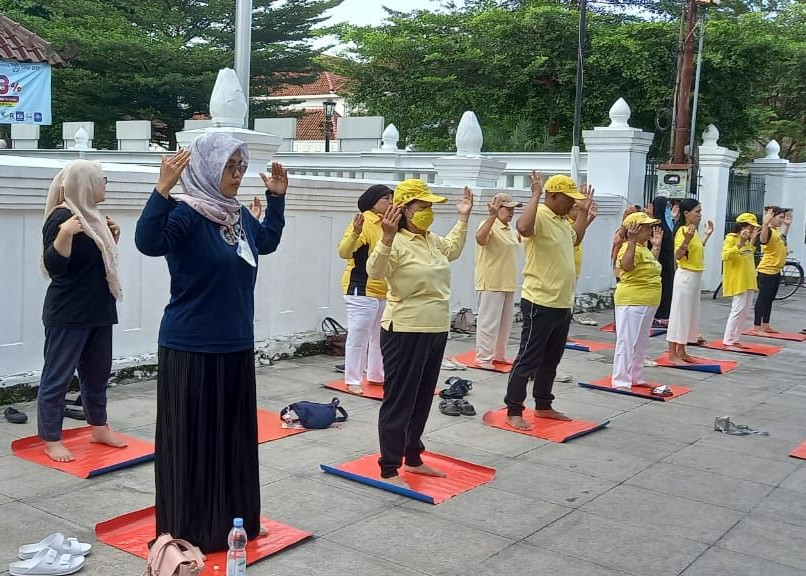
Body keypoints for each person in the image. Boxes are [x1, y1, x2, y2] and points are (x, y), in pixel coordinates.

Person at [134, 132, 288, 553]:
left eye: (241, 167)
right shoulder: (187, 213)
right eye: (229, 167)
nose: (237, 176)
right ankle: (190, 527)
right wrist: (162, 189)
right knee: (191, 443)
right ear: (206, 168)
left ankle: (234, 521)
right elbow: (148, 243)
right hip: (191, 346)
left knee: (232, 441)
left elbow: (267, 243)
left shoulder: (237, 216)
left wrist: (276, 201)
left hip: (235, 343)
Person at [366, 179, 472, 486]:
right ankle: (388, 466)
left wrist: (463, 218)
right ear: (404, 209)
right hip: (405, 329)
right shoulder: (395, 241)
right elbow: (375, 271)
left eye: (430, 207)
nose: (428, 212)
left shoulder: (430, 240)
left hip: (435, 328)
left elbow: (452, 249)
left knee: (423, 397)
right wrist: (386, 238)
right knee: (400, 398)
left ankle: (412, 456)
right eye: (422, 206)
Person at [38, 159, 126, 463]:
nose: (104, 185)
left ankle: (99, 426)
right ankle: (51, 439)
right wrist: (64, 234)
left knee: (97, 374)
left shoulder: (93, 217)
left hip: (99, 309)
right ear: (85, 183)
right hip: (68, 313)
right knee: (58, 377)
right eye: (101, 179)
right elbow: (56, 268)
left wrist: (111, 239)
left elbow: (93, 264)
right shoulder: (62, 217)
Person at [504, 173, 594, 430]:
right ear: (552, 196)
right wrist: (534, 195)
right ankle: (514, 408)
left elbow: (575, 238)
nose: (572, 205)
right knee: (528, 358)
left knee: (551, 359)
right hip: (540, 300)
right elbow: (522, 228)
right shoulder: (541, 214)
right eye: (569, 200)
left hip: (562, 302)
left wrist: (584, 213)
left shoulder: (562, 220)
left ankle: (543, 404)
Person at [337, 185, 393, 393]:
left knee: (380, 337)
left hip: (384, 289)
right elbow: (344, 251)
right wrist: (356, 233)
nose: (391, 203)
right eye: (386, 198)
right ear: (373, 201)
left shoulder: (390, 224)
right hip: (361, 288)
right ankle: (352, 379)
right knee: (358, 335)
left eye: (391, 198)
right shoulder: (365, 222)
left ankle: (376, 374)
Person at [612, 212, 664, 389]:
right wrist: (632, 241)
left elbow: (650, 267)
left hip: (647, 300)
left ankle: (636, 377)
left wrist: (656, 247)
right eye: (646, 227)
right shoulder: (628, 247)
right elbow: (627, 266)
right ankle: (621, 379)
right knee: (627, 341)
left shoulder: (643, 248)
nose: (650, 230)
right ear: (634, 229)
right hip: (632, 300)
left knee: (640, 342)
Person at [473, 192, 522, 370]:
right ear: (497, 207)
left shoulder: (511, 230)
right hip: (491, 280)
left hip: (508, 281)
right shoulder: (489, 225)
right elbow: (480, 238)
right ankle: (484, 358)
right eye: (507, 209)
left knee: (505, 322)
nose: (511, 213)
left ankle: (498, 354)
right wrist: (491, 216)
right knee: (489, 322)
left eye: (513, 209)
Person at [666, 198, 714, 364]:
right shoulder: (682, 231)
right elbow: (678, 254)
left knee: (690, 315)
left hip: (695, 276)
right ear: (686, 213)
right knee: (679, 314)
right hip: (685, 276)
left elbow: (696, 249)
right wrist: (687, 239)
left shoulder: (692, 231)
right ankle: (672, 353)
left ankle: (682, 350)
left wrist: (706, 236)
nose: (700, 215)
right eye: (697, 212)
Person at [721, 213, 761, 348]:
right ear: (743, 226)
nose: (751, 230)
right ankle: (728, 339)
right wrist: (740, 243)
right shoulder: (731, 238)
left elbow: (749, 254)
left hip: (749, 279)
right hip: (738, 280)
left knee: (745, 310)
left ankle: (736, 338)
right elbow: (725, 256)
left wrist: (752, 241)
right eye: (750, 227)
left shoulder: (748, 240)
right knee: (737, 309)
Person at [751, 206, 787, 335]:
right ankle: (757, 327)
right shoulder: (769, 231)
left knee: (770, 299)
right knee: (763, 299)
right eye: (780, 217)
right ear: (772, 218)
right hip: (767, 271)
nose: (781, 220)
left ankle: (765, 325)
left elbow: (783, 240)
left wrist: (787, 226)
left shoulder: (777, 232)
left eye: (783, 218)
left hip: (776, 270)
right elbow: (763, 240)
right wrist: (765, 223)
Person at [569, 201, 599, 326]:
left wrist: (590, 218)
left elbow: (579, 232)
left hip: (574, 267)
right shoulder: (565, 223)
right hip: (566, 267)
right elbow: (574, 235)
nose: (580, 211)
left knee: (569, 301)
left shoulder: (575, 223)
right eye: (577, 208)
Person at [649, 196, 676, 327]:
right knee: (662, 288)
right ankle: (659, 315)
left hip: (668, 263)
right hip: (660, 262)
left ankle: (665, 314)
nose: (668, 209)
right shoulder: (655, 226)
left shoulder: (667, 222)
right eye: (666, 206)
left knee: (668, 288)